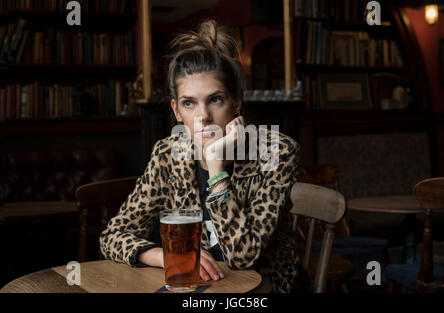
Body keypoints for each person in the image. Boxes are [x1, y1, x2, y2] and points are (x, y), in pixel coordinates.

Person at [100, 20, 310, 293]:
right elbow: (113, 236)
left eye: (215, 100)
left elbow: (241, 257)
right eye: (189, 103)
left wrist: (216, 169)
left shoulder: (276, 152)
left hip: (264, 287)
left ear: (236, 101)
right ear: (177, 111)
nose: (203, 117)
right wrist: (167, 257)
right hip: (202, 286)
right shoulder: (168, 154)